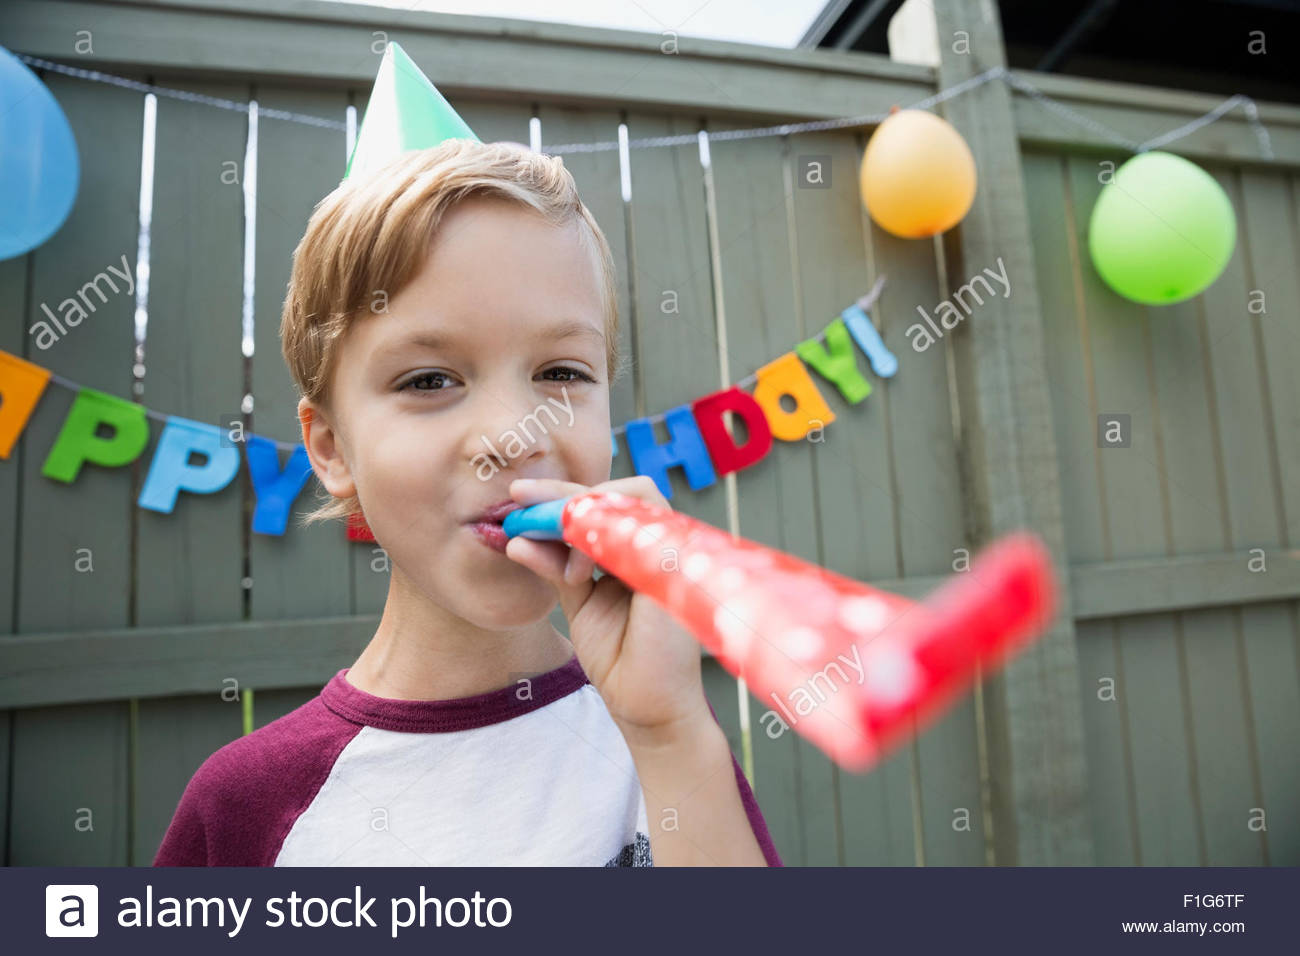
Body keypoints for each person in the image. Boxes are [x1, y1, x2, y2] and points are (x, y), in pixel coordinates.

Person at [153, 76, 781, 866]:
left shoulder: (667, 742)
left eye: (561, 373)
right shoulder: (247, 808)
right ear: (332, 448)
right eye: (428, 381)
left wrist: (671, 736)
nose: (516, 436)